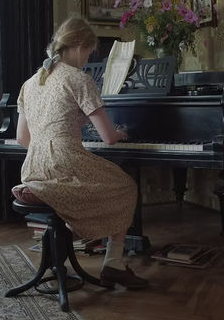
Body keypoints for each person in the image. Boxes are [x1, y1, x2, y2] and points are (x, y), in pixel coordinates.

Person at [11, 17, 148, 289]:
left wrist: (58, 137)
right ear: (78, 46)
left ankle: (71, 246)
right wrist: (120, 133)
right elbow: (108, 138)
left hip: (33, 168)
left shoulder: (30, 83)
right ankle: (114, 263)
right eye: (88, 52)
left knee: (101, 186)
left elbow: (22, 138)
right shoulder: (79, 79)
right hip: (65, 163)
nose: (87, 59)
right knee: (126, 186)